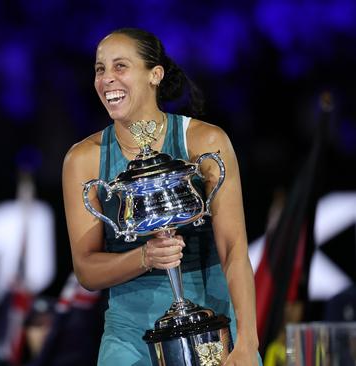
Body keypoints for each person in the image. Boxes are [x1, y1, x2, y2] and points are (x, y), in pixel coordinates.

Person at [62, 28, 261, 365]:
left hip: (215, 324)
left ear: (155, 75)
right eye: (100, 69)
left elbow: (234, 251)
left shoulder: (205, 141)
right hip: (129, 335)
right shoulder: (83, 159)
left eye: (120, 66)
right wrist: (145, 257)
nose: (107, 79)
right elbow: (86, 270)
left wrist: (246, 341)